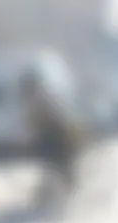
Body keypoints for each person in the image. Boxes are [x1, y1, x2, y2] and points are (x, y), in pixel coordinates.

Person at [21, 71, 77, 200]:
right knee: (54, 169)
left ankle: (67, 194)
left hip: (55, 139)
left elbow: (52, 121)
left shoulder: (42, 101)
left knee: (60, 168)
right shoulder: (36, 101)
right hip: (50, 140)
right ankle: (59, 193)